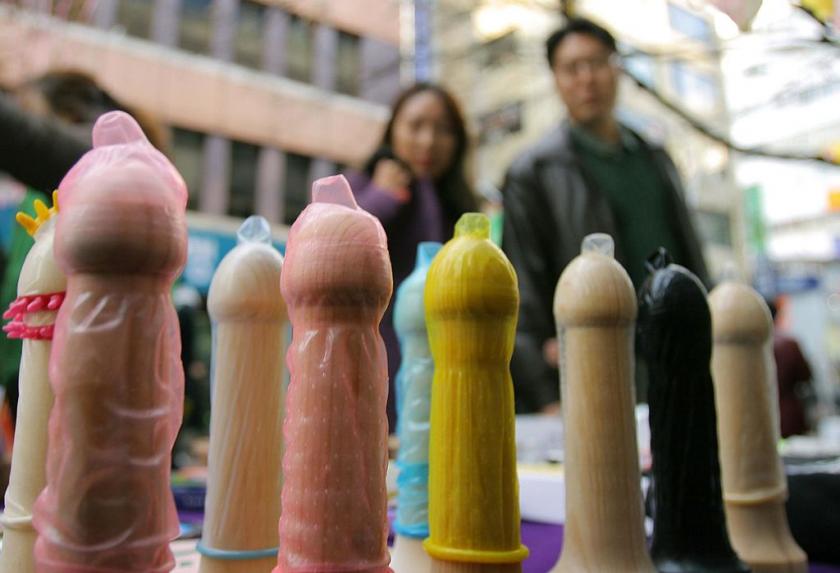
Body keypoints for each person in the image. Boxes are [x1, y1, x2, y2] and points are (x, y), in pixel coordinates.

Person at [501, 18, 708, 414]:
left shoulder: (655, 158)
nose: (587, 79)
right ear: (556, 80)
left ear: (617, 68)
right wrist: (544, 393)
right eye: (572, 68)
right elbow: (523, 287)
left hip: (675, 354)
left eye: (597, 63)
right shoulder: (533, 171)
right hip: (589, 363)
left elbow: (692, 256)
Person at [345, 83, 478, 432]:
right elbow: (335, 247)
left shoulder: (458, 205)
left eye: (443, 130)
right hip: (370, 370)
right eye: (416, 126)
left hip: (443, 373)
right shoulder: (360, 186)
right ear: (394, 129)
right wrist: (382, 196)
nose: (429, 141)